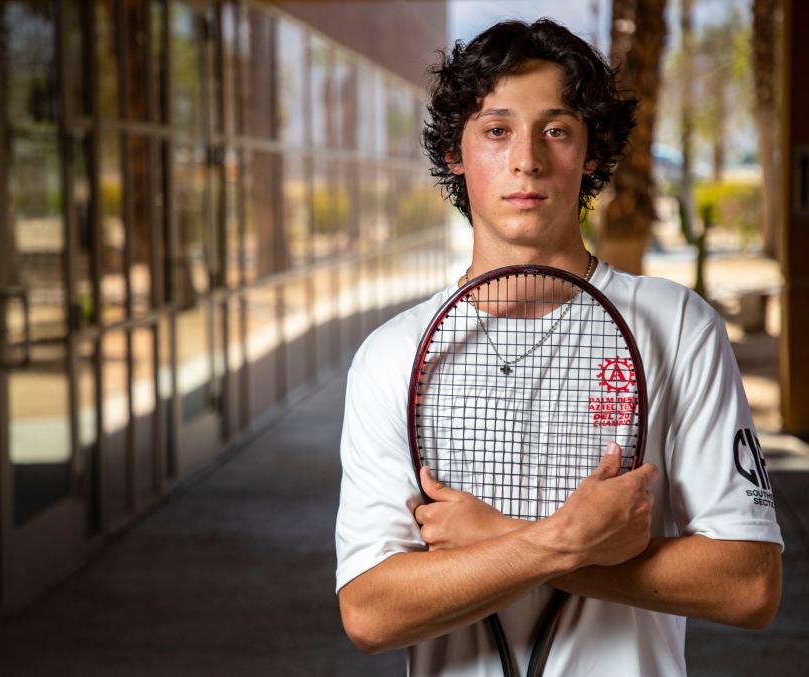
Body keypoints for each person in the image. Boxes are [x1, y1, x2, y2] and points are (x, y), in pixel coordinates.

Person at [335, 19, 782, 676]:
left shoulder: (678, 325)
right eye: (497, 130)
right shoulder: (391, 356)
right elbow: (371, 611)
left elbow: (749, 583)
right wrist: (569, 541)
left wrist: (498, 538)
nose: (527, 160)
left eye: (556, 129)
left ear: (592, 151)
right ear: (455, 152)